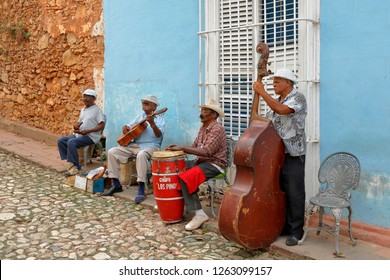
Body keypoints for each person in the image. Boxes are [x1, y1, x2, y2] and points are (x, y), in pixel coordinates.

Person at [253, 68, 307, 246]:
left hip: (293, 153)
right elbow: (266, 122)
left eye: (277, 81)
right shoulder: (276, 101)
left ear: (288, 83)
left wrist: (262, 92)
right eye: (273, 81)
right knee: (280, 191)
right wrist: (255, 108)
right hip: (276, 154)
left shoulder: (297, 98)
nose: (274, 84)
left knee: (294, 193)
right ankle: (283, 226)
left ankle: (297, 232)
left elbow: (282, 110)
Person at [166, 99, 226, 231]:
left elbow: (206, 152)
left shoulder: (217, 129)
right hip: (201, 162)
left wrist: (182, 148)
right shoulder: (203, 128)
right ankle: (173, 203)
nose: (201, 114)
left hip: (214, 164)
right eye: (201, 110)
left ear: (214, 115)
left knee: (187, 177)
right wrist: (178, 147)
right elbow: (194, 146)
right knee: (176, 169)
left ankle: (199, 214)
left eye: (205, 111)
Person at [102, 95, 165, 201]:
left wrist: (152, 123)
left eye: (147, 103)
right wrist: (125, 128)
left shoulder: (159, 119)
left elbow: (159, 135)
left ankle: (141, 188)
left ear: (154, 107)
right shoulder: (140, 116)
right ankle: (116, 184)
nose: (144, 106)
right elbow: (129, 126)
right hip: (135, 145)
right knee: (112, 152)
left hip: (151, 146)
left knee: (141, 155)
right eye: (143, 103)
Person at [57, 89, 105, 176]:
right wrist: (76, 126)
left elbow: (101, 125)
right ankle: (71, 166)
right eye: (84, 96)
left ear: (93, 99)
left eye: (88, 97)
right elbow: (79, 122)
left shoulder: (97, 110)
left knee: (71, 142)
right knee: (61, 141)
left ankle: (76, 167)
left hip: (91, 136)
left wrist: (88, 131)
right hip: (80, 134)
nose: (85, 99)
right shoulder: (83, 110)